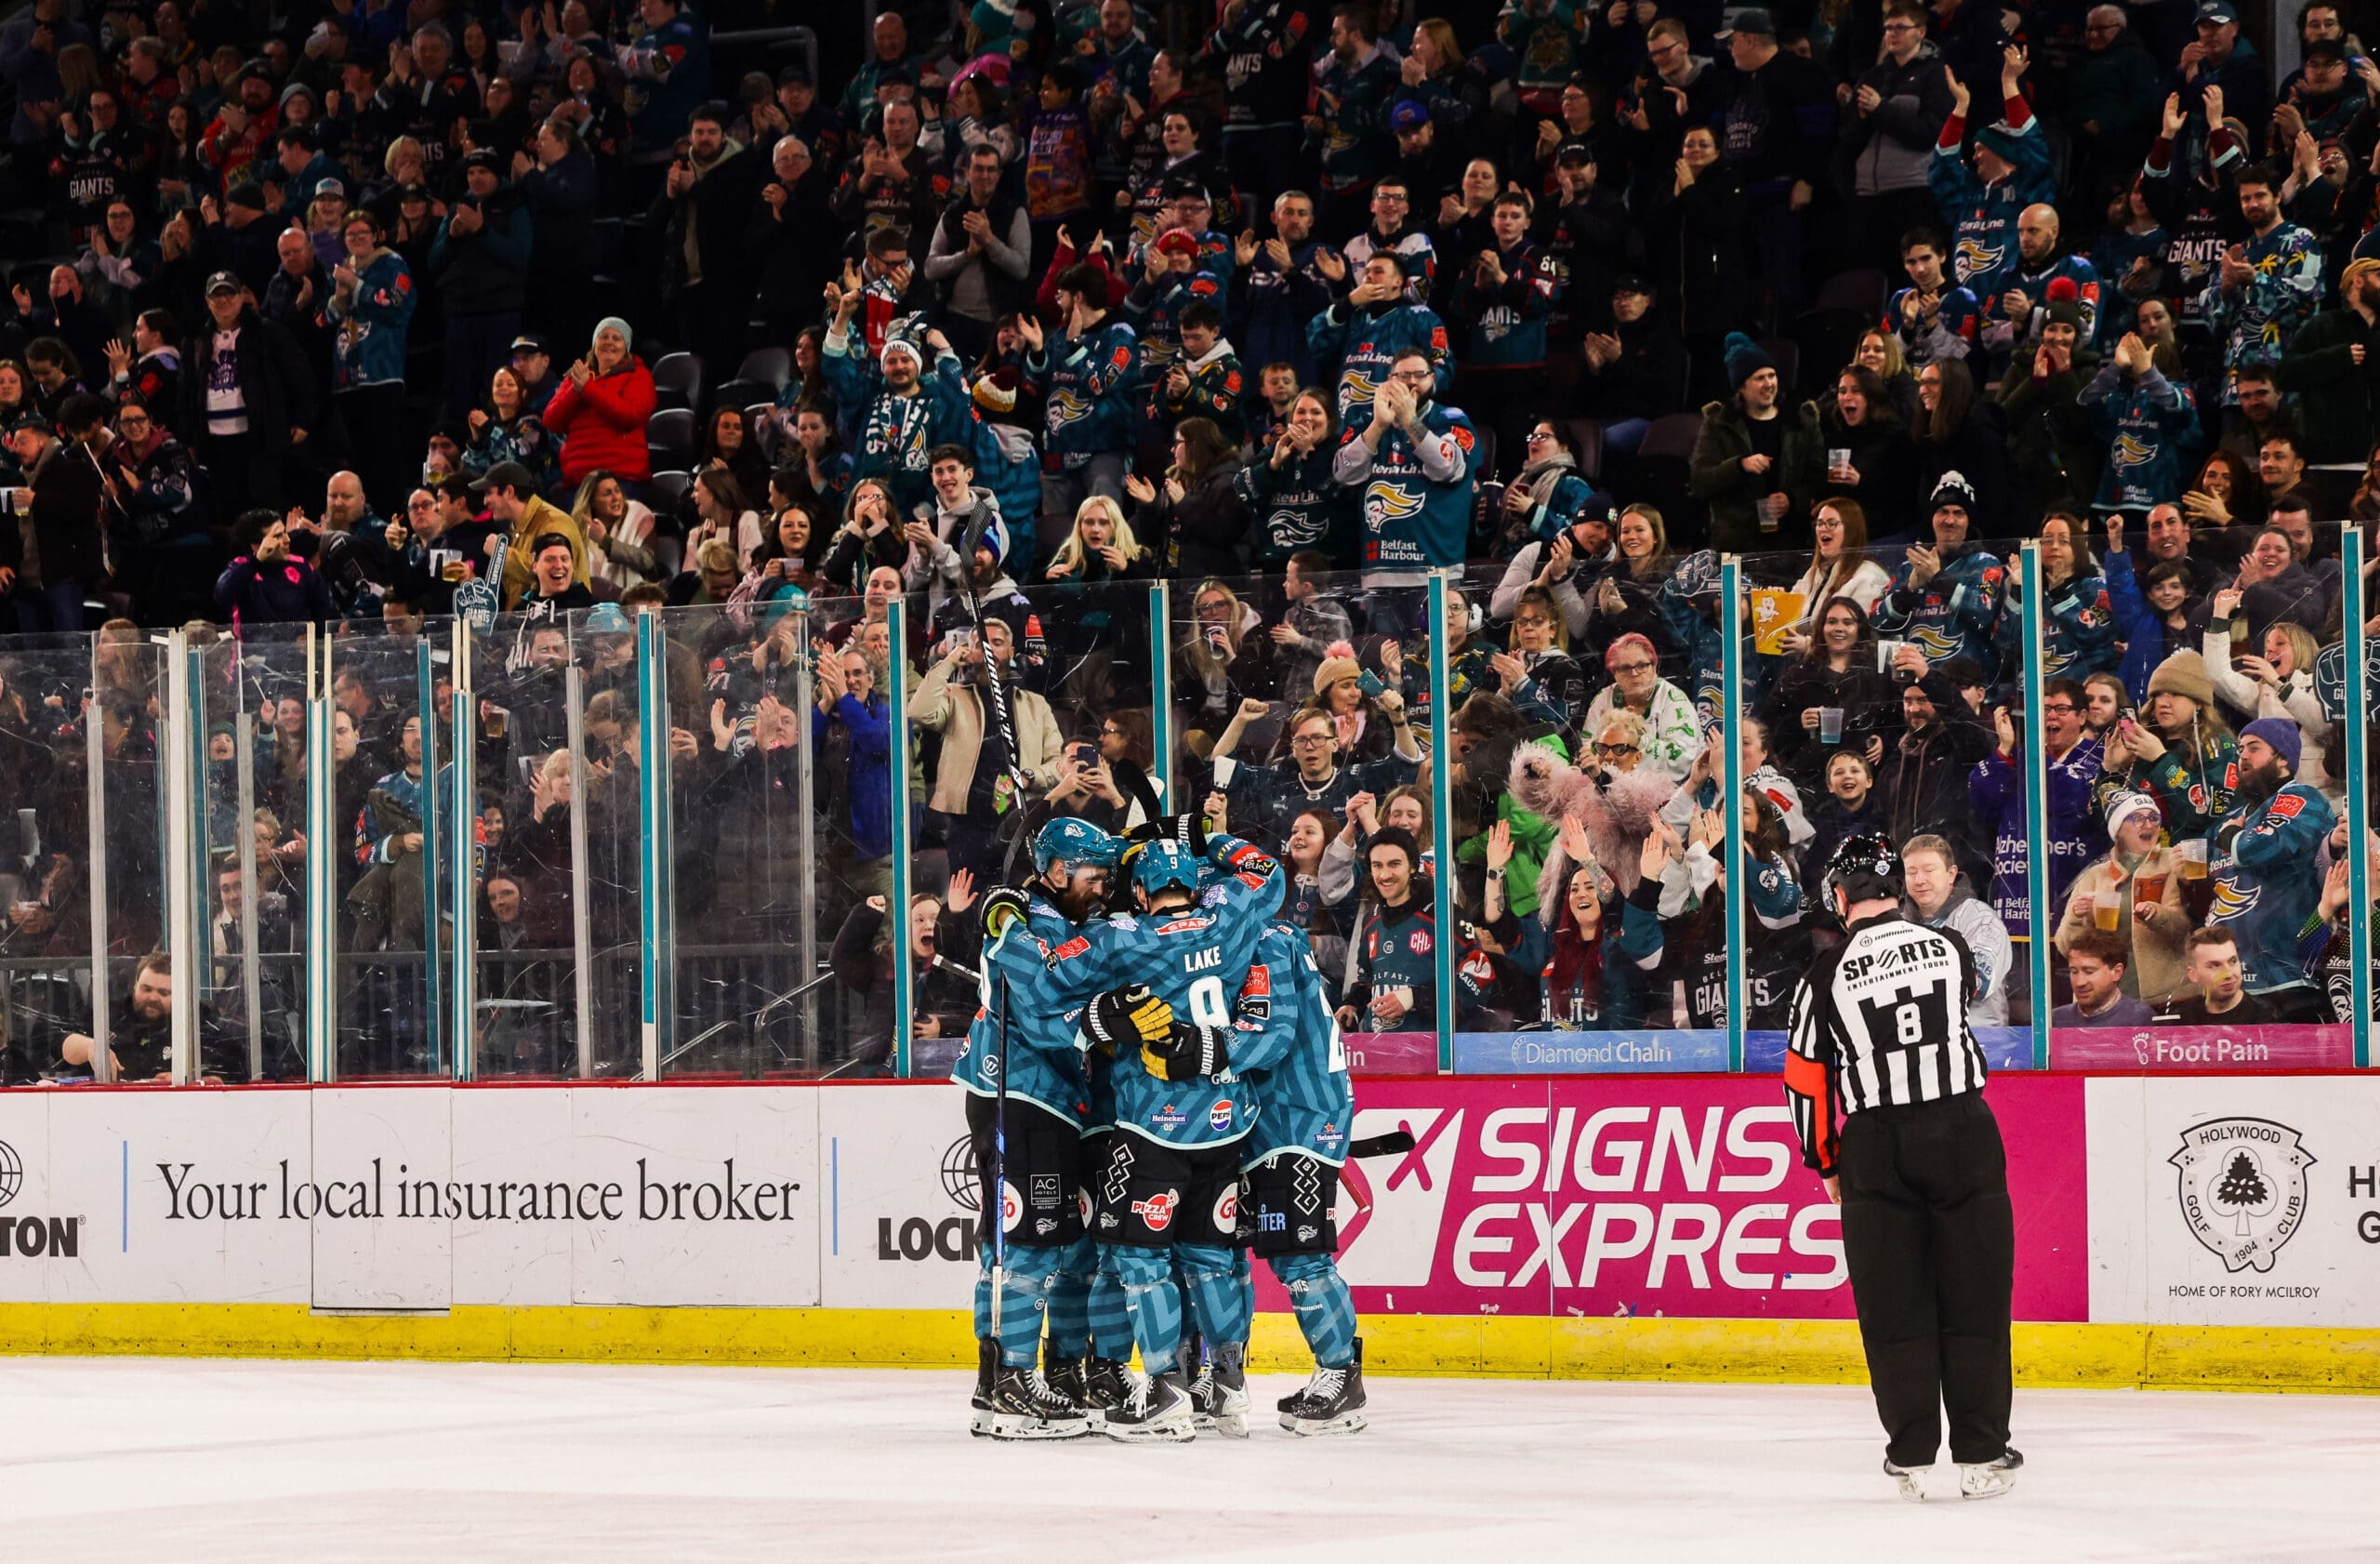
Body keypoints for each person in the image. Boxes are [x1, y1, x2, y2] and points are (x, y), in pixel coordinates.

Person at [998, 827, 1286, 1441]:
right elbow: (1267, 872)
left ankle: (1162, 1392)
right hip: (1226, 1121)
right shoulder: (1233, 916)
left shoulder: (1122, 937)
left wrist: (1009, 928)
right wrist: (1210, 839)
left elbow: (1043, 983)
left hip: (1153, 1125)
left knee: (1141, 1259)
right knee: (1213, 1260)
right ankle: (1227, 1390)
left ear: (1137, 889)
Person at [1784, 832, 2020, 1504]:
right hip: (1962, 1129)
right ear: (1895, 890)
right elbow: (1974, 986)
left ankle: (1911, 1454)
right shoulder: (1946, 946)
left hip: (1875, 1145)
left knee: (1895, 1306)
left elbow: (1804, 1080)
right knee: (1974, 1298)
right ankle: (1984, 1453)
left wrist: (1824, 1160)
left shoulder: (1825, 974)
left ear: (1838, 897)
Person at [949, 817, 1122, 1439]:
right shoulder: (1023, 924)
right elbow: (1048, 1019)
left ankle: (997, 1380)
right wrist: (1110, 1021)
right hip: (1017, 1095)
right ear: (1055, 871)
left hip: (1040, 1098)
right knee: (1025, 1242)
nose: (1101, 885)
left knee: (1031, 1240)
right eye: (1092, 874)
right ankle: (1013, 1381)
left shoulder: (1052, 921)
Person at [1229, 916, 1366, 1436]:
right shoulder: (1271, 936)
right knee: (1243, 1252)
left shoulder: (1265, 943)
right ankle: (1223, 1377)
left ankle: (1340, 1375)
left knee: (1300, 1255)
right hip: (1274, 1118)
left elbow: (1268, 1035)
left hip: (1296, 1118)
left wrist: (1197, 1048)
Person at [2204, 717, 2333, 1013]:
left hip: (2288, 977)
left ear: (2283, 759)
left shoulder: (2302, 797)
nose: (2243, 756)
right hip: (2231, 982)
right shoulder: (2228, 819)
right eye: (2239, 749)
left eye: (2254, 748)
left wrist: (2234, 837)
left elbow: (2263, 847)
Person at [1901, 832, 2014, 1027]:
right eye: (1911, 872)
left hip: (1982, 1041)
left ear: (1951, 874)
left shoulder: (1981, 920)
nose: (1919, 880)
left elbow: (1979, 982)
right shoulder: (1896, 925)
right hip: (1921, 1046)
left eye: (1929, 870)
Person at [2169, 924, 2274, 1024]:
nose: (2228, 974)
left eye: (2233, 961)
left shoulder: (2264, 1017)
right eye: (2215, 965)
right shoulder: (2183, 1018)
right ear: (2193, 974)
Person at [2052, 928, 2156, 1026]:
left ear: (2116, 972)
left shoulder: (2140, 1018)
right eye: (2074, 972)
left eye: (2089, 971)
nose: (2080, 982)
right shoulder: (2056, 1020)